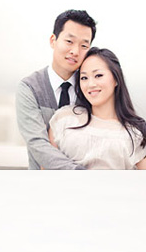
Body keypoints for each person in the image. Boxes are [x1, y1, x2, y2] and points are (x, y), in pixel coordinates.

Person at [48, 48, 146, 170]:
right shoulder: (63, 119)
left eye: (98, 75)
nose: (90, 84)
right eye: (84, 77)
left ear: (116, 79)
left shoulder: (136, 133)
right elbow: (45, 172)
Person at [16, 9, 97, 169]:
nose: (75, 51)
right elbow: (37, 143)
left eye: (84, 45)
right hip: (43, 184)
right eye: (69, 41)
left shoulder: (91, 89)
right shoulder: (29, 87)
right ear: (53, 40)